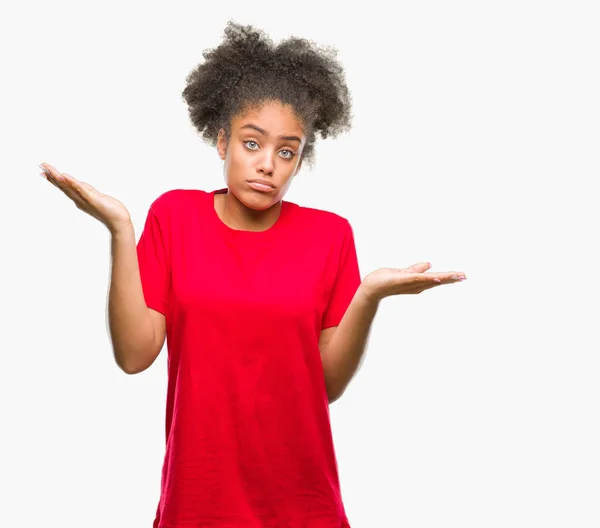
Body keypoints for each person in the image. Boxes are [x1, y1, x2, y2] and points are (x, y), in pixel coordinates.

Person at [39, 20, 466, 528]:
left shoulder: (330, 236)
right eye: (251, 143)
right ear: (221, 142)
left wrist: (369, 295)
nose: (268, 164)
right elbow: (134, 356)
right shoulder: (175, 217)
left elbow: (325, 385)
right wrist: (119, 228)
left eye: (287, 151)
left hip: (303, 503)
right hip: (198, 501)